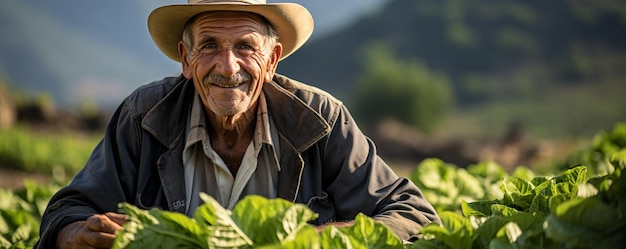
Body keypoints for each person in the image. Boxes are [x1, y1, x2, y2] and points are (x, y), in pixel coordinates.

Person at [35, 0, 441, 248]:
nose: (228, 68)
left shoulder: (320, 120)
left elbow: (415, 216)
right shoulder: (143, 118)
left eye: (246, 47)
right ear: (185, 57)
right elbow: (67, 210)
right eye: (209, 45)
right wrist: (78, 235)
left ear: (272, 59)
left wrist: (318, 242)